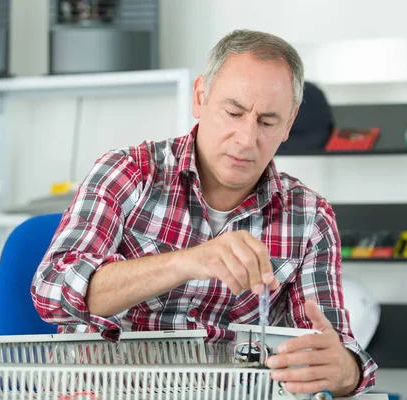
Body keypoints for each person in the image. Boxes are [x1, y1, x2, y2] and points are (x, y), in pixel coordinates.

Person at [31, 29, 378, 396]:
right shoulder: (128, 172)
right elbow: (51, 292)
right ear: (200, 97)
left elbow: (333, 347)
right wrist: (186, 262)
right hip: (105, 389)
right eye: (234, 112)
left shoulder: (309, 218)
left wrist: (345, 371)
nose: (246, 139)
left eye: (267, 122)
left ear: (289, 124)